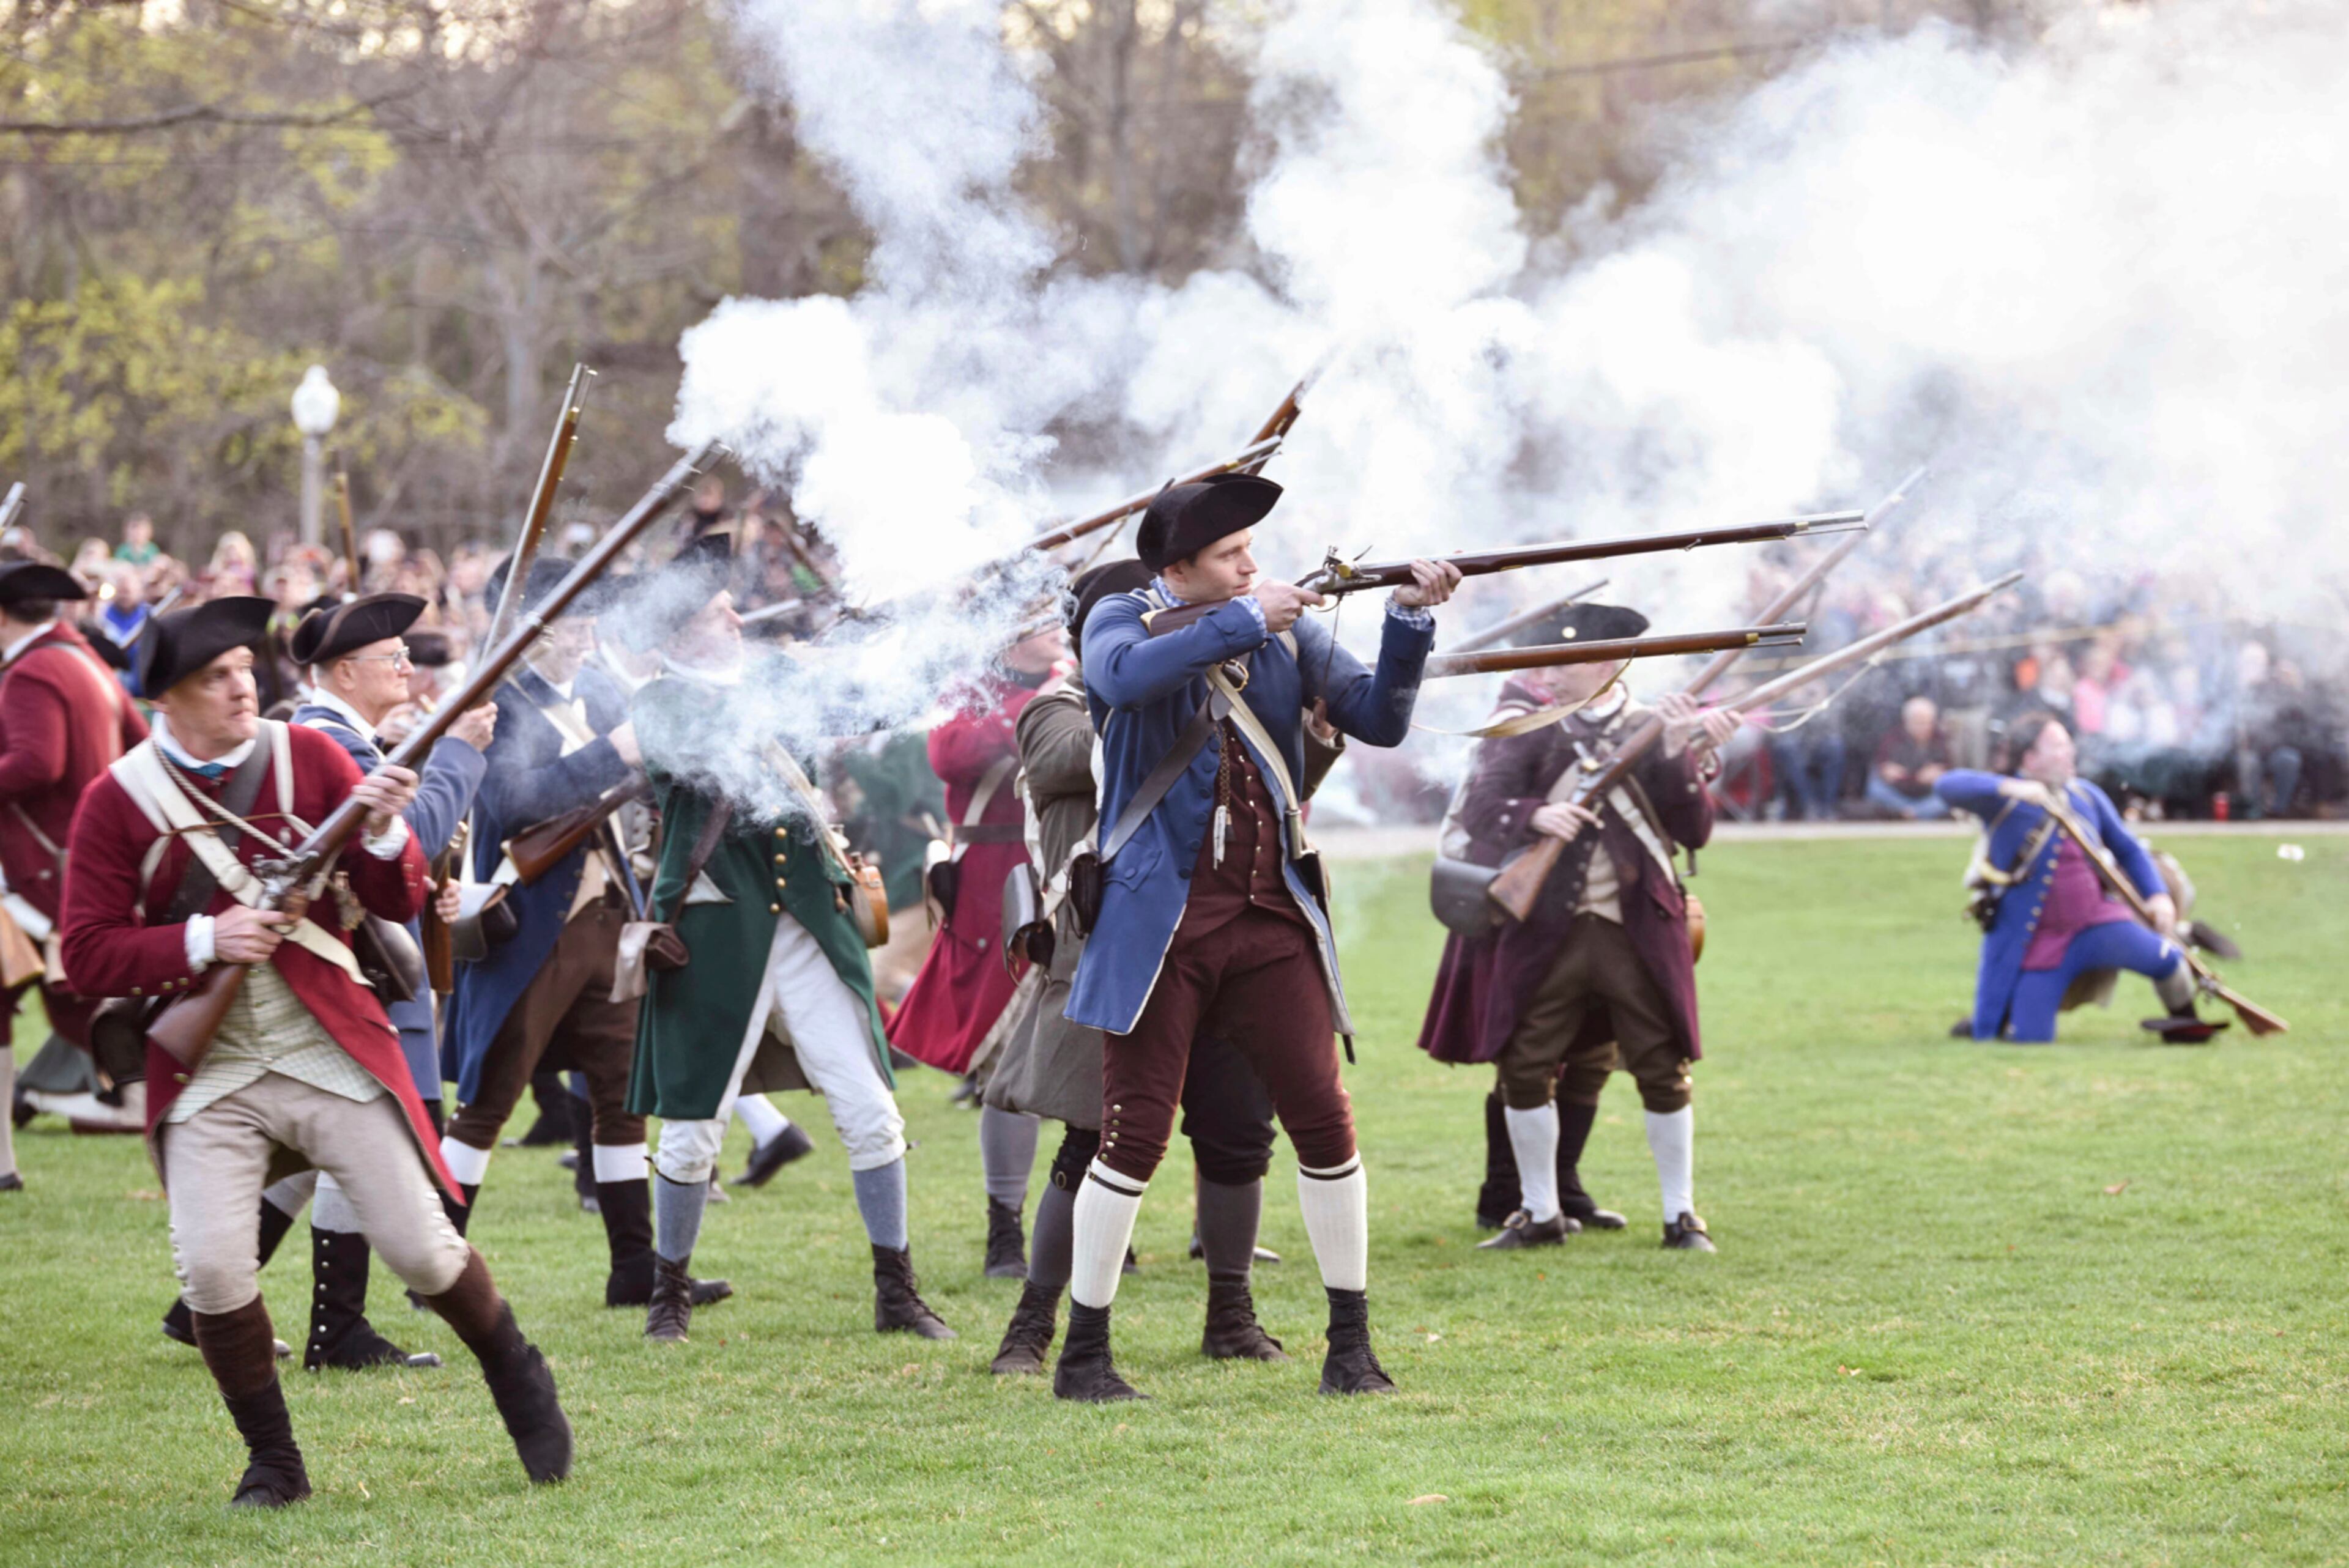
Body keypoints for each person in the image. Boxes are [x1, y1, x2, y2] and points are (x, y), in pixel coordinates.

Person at [59, 597, 569, 1506]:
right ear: (167, 697)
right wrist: (205, 943)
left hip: (327, 1041)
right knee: (214, 1272)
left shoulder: (310, 756)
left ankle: (516, 1370)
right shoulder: (119, 799)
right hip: (210, 1065)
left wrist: (379, 827)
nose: (242, 689)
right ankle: (276, 1463)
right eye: (216, 679)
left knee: (422, 1250)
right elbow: (88, 950)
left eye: (248, 671)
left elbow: (391, 889)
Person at [1053, 472, 1458, 1402]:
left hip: (1269, 912)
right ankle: (1084, 1355)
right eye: (1232, 556)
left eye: (1250, 554)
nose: (1251, 567)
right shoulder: (1120, 615)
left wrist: (1407, 620)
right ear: (1179, 567)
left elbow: (1382, 720)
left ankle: (1351, 1346)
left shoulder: (1281, 628)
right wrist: (1248, 619)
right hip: (1161, 922)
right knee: (1134, 1135)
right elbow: (1121, 678)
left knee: (1323, 1116)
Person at [985, 558, 1330, 1377]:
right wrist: (1187, 661)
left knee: (1239, 1134)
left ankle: (1232, 1315)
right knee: (1088, 1142)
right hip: (1114, 955)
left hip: (1229, 939)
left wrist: (1309, 724)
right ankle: (1032, 1327)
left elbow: (1280, 790)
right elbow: (1103, 756)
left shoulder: (1221, 694)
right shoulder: (1058, 709)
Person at [623, 539, 951, 1344]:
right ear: (676, 638)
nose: (736, 614)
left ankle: (896, 1292)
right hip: (712, 930)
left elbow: (877, 705)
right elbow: (710, 761)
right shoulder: (661, 704)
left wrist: (916, 631)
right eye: (714, 611)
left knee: (871, 1111)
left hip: (810, 921)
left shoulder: (778, 679)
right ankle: (668, 1294)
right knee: (694, 1126)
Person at [441, 557, 725, 1313]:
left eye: (588, 616)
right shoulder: (496, 698)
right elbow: (510, 804)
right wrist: (615, 752)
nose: (584, 631)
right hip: (533, 927)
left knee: (621, 1098)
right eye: (570, 617)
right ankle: (433, 1265)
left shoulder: (599, 689)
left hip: (609, 921)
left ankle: (635, 1267)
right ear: (529, 623)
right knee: (488, 1103)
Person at [1417, 602, 1737, 1254]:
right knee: (1526, 1065)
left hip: (1635, 928)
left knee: (1660, 1066)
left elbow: (1694, 829)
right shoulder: (1530, 727)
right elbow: (1481, 803)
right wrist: (1537, 814)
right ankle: (1539, 1210)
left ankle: (1681, 1214)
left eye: (1564, 663)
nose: (1551, 676)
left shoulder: (1654, 727)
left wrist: (1678, 752)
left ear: (1606, 662)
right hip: (1545, 929)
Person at [251, 593, 494, 1369]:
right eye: (392, 657)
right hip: (339, 971)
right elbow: (404, 839)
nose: (408, 666)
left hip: (359, 963)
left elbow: (407, 867)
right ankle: (336, 1329)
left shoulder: (349, 736)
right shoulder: (331, 742)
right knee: (363, 1134)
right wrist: (458, 753)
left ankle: (212, 1308)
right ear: (346, 671)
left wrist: (431, 888)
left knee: (330, 1145)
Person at [886, 618, 1064, 1278]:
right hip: (997, 892)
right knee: (1005, 1072)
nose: (1058, 629)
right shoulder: (972, 694)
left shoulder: (1072, 684)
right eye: (1042, 617)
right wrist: (1053, 704)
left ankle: (1086, 1212)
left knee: (1090, 1058)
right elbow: (953, 754)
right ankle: (1005, 1231)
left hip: (1074, 882)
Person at [0, 560, 150, 1186]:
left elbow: (37, 762)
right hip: (84, 871)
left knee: (94, 1020)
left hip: (38, 876)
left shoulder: (32, 670)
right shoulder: (90, 662)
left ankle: (39, 1108)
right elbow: (141, 742)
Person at [1937, 711, 2205, 1043]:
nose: (2070, 754)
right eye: (2058, 747)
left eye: (2067, 745)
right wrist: (2015, 789)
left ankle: (2186, 1027)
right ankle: (2005, 1016)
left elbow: (2129, 850)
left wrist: (2158, 897)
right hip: (2042, 944)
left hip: (2098, 924)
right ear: (2031, 758)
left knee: (2167, 959)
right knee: (2030, 1039)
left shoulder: (2086, 796)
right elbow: (1947, 785)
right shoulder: (2003, 801)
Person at [1866, 695, 1955, 819]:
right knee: (1876, 789)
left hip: (1927, 794)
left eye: (1926, 722)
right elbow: (1885, 769)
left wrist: (1939, 775)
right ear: (1906, 721)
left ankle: (1910, 814)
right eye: (1918, 722)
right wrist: (1913, 777)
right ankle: (1911, 813)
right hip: (1899, 793)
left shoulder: (1940, 739)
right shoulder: (1892, 738)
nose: (1923, 727)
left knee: (1949, 794)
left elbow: (1947, 768)